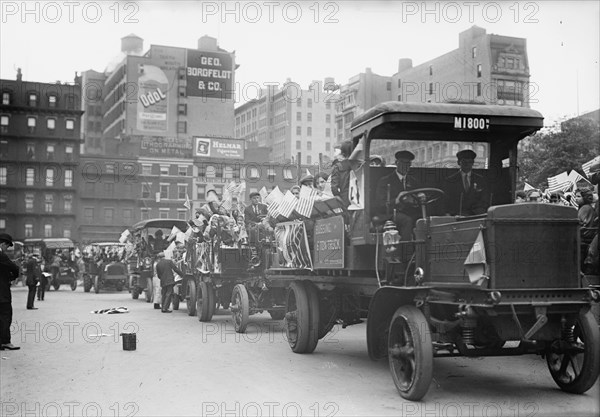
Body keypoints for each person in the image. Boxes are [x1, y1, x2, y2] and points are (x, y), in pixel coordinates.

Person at [375, 150, 421, 241]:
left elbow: (417, 198)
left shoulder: (413, 181)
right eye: (403, 163)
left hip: (409, 211)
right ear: (396, 163)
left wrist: (418, 198)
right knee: (406, 220)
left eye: (408, 164)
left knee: (425, 220)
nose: (406, 166)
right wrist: (397, 200)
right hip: (390, 213)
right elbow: (380, 204)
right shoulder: (385, 181)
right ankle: (405, 250)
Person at [443, 149, 489, 216]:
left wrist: (476, 212)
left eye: (470, 162)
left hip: (476, 216)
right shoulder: (450, 180)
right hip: (457, 216)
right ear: (459, 162)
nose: (467, 164)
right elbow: (446, 201)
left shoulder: (481, 180)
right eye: (464, 162)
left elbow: (485, 200)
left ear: (473, 163)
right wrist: (449, 214)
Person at [0, 233, 21, 350]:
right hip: (2, 293)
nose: (6, 249)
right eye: (7, 247)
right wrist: (11, 277)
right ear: (3, 244)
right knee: (5, 316)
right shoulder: (1, 255)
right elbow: (14, 268)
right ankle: (5, 342)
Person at [330, 140, 354, 208]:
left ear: (342, 153)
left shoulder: (338, 167)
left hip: (345, 199)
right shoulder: (360, 165)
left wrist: (340, 198)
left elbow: (334, 188)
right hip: (361, 198)